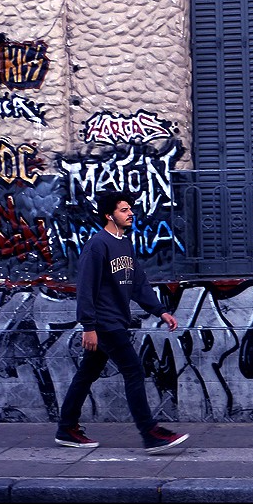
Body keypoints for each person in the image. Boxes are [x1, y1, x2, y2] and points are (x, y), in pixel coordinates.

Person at [55, 190, 189, 454]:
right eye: (124, 210)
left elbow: (138, 282)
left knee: (87, 373)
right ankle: (149, 432)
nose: (130, 214)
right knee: (134, 371)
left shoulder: (124, 243)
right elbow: (85, 287)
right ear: (109, 215)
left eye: (130, 209)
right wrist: (89, 326)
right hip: (105, 323)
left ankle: (66, 427)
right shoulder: (98, 245)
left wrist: (160, 311)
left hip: (116, 320)